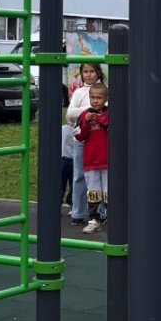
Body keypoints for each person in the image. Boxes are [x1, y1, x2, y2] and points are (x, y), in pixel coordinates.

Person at [66, 63, 105, 229]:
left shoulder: (105, 90)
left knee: (102, 178)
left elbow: (108, 110)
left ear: (98, 72)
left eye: (92, 71)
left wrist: (83, 112)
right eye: (85, 72)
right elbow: (70, 114)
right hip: (81, 140)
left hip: (100, 140)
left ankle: (101, 213)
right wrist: (89, 110)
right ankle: (78, 212)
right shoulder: (79, 92)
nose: (88, 75)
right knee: (79, 176)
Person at [73, 84, 110, 234]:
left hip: (108, 161)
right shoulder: (84, 115)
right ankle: (94, 220)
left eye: (99, 98)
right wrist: (86, 123)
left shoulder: (110, 113)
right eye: (93, 97)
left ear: (106, 98)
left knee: (109, 192)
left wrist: (99, 119)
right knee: (93, 193)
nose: (95, 101)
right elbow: (78, 135)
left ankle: (112, 219)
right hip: (91, 161)